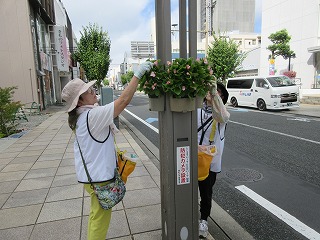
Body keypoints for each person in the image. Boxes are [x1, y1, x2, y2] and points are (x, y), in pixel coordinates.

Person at [61, 61, 153, 240]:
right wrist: (138, 75)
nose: (93, 91)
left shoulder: (81, 116)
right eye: (88, 91)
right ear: (79, 101)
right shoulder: (91, 116)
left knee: (96, 214)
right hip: (99, 178)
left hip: (92, 176)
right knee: (100, 219)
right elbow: (123, 101)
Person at [197, 82, 230, 238]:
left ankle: (203, 220)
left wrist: (214, 97)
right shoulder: (196, 110)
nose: (213, 93)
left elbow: (222, 115)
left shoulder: (221, 116)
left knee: (206, 193)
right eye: (211, 91)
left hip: (209, 163)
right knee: (187, 189)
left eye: (219, 93)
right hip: (192, 159)